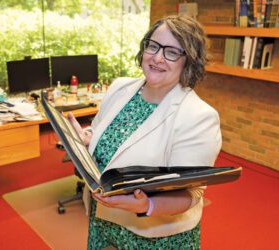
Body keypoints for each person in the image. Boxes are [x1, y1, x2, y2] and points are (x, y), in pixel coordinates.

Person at [68, 15, 222, 249]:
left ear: (189, 61)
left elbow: (191, 193)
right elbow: (103, 130)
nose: (157, 57)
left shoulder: (199, 116)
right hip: (103, 219)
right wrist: (88, 139)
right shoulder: (120, 87)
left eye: (172, 52)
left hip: (155, 235)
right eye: (153, 46)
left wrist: (145, 206)